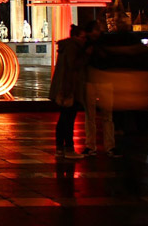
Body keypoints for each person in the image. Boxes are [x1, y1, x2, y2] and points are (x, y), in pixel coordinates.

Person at [48, 25, 88, 158]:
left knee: (63, 119)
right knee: (68, 120)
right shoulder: (73, 47)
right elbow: (73, 66)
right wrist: (86, 55)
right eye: (83, 37)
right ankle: (69, 149)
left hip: (63, 87)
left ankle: (60, 149)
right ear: (76, 36)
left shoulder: (66, 47)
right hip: (69, 89)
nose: (84, 40)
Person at [83, 20, 118, 157]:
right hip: (93, 81)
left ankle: (109, 146)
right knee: (91, 116)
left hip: (103, 81)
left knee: (106, 116)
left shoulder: (106, 43)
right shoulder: (86, 44)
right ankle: (91, 146)